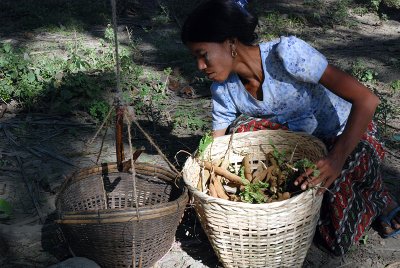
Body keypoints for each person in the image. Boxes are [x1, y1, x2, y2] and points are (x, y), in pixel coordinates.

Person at [181, 0, 400, 256]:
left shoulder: (286, 55)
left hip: (344, 136)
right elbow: (218, 148)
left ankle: (379, 201)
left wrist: (336, 159)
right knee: (242, 132)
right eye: (195, 57)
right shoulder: (224, 89)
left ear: (230, 42)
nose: (199, 66)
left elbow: (367, 99)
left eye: (202, 54)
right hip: (297, 150)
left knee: (343, 174)